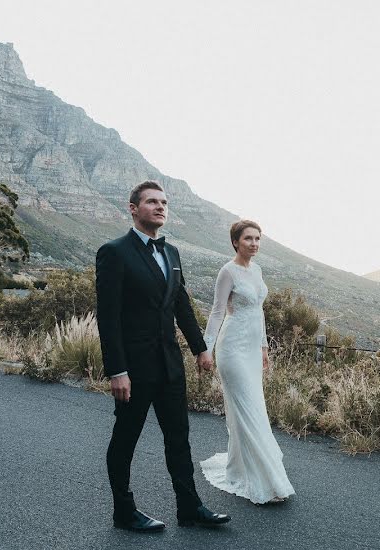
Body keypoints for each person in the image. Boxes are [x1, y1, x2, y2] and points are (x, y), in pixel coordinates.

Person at [95, 180, 230, 531]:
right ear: (133, 208)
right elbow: (108, 319)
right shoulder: (114, 252)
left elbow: (181, 305)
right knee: (126, 439)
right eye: (152, 202)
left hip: (170, 365)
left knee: (179, 438)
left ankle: (189, 507)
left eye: (164, 202)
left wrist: (200, 348)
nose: (160, 207)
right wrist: (117, 370)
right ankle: (123, 511)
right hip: (134, 369)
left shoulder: (172, 253)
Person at [200, 220, 295, 504]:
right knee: (248, 408)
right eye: (248, 239)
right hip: (232, 348)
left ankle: (250, 466)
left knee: (255, 407)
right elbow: (217, 312)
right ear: (235, 242)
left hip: (253, 348)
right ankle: (262, 477)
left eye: (257, 238)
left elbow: (260, 312)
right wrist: (206, 349)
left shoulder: (257, 270)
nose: (254, 243)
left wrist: (264, 347)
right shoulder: (227, 272)